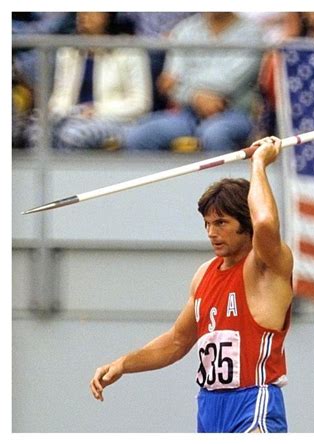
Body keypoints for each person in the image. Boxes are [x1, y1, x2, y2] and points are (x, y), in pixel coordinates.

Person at [90, 136, 294, 433]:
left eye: (221, 223)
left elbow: (264, 222)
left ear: (244, 223)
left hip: (254, 402)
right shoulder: (204, 274)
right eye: (207, 224)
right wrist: (124, 363)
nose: (211, 233)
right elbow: (176, 341)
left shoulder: (265, 267)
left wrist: (259, 163)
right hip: (209, 407)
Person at [123, 12, 263, 152]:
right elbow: (169, 85)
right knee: (139, 135)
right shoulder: (185, 29)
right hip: (187, 113)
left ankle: (227, 174)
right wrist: (194, 97)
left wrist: (187, 84)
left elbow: (230, 82)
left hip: (234, 112)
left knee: (215, 135)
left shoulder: (252, 33)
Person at [29, 12, 152, 150]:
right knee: (36, 132)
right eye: (81, 12)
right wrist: (54, 112)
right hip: (72, 115)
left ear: (108, 16)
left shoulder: (130, 50)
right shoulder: (68, 50)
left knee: (71, 136)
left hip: (115, 119)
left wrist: (97, 109)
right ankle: (43, 172)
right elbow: (60, 96)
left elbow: (141, 104)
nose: (83, 16)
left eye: (91, 11)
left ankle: (70, 172)